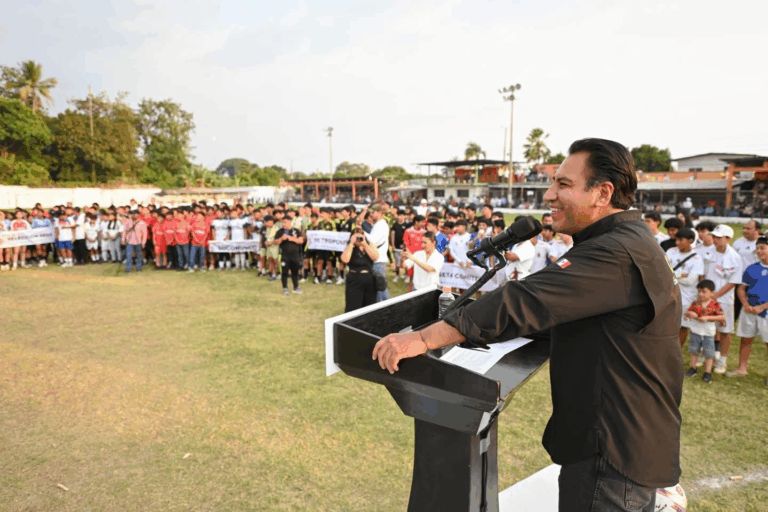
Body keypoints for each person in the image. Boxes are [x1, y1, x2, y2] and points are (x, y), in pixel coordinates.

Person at [373, 138, 682, 512]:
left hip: (613, 450)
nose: (549, 195)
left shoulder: (614, 251)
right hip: (619, 438)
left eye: (564, 184)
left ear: (603, 193)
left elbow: (523, 300)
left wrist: (423, 338)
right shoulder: (624, 240)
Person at [703, 224, 743, 374]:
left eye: (719, 238)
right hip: (706, 297)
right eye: (714, 237)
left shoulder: (735, 257)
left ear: (728, 238)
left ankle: (722, 360)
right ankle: (706, 355)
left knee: (725, 330)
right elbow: (704, 273)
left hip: (724, 300)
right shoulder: (708, 252)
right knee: (707, 328)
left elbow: (733, 281)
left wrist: (716, 295)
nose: (715, 240)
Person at [730, 237, 768, 377]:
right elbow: (741, 289)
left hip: (765, 311)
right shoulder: (752, 268)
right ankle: (742, 368)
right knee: (746, 338)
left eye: (762, 248)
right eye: (757, 248)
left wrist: (763, 307)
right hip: (749, 310)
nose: (759, 251)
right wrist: (746, 305)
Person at [666, 228, 704, 348]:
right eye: (676, 239)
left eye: (681, 240)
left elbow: (689, 281)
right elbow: (662, 272)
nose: (677, 243)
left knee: (683, 326)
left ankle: (678, 350)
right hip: (668, 295)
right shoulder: (671, 251)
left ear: (690, 241)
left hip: (687, 297)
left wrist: (672, 274)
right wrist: (680, 274)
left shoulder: (697, 258)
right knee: (668, 324)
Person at [684, 280, 725, 383]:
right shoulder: (695, 303)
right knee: (694, 351)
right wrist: (690, 314)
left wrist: (707, 318)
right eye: (699, 291)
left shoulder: (715, 305)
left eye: (704, 291)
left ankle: (708, 372)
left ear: (712, 293)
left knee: (709, 353)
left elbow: (722, 316)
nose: (700, 294)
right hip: (695, 331)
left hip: (708, 333)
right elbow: (687, 313)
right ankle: (693, 368)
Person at [340, 227, 379, 311]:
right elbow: (345, 259)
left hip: (369, 278)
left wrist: (364, 244)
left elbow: (375, 257)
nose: (358, 239)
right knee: (353, 307)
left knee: (369, 307)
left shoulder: (369, 245)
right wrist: (351, 243)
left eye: (360, 237)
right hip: (354, 278)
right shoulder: (349, 247)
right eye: (356, 237)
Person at [732, 220, 761, 322]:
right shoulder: (737, 243)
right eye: (744, 228)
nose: (745, 230)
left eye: (748, 228)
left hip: (757, 283)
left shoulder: (763, 243)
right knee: (734, 308)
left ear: (757, 230)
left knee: (755, 309)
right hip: (739, 281)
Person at [365, 205, 391, 302]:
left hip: (379, 259)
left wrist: (362, 233)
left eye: (373, 212)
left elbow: (373, 240)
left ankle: (385, 306)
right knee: (380, 286)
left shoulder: (382, 225)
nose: (371, 214)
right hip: (376, 258)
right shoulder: (377, 224)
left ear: (380, 212)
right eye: (371, 212)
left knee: (380, 286)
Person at [275, 216, 305, 295]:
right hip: (285, 255)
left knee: (295, 272)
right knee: (284, 272)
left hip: (295, 255)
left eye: (285, 222)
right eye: (283, 222)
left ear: (290, 222)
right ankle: (285, 288)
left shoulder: (296, 231)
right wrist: (282, 238)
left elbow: (301, 241)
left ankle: (296, 287)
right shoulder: (280, 231)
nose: (284, 224)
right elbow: (276, 242)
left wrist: (291, 238)